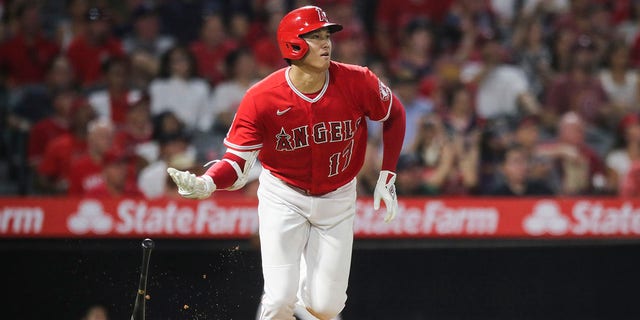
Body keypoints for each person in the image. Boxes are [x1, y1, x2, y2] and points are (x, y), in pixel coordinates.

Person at [166, 6, 405, 320]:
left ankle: (299, 286)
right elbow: (238, 161)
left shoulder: (357, 80)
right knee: (279, 298)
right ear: (294, 44)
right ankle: (286, 293)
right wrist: (207, 182)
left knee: (326, 308)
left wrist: (387, 173)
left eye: (327, 36)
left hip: (337, 196)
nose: (326, 43)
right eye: (315, 36)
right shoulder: (262, 97)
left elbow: (395, 115)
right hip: (284, 195)